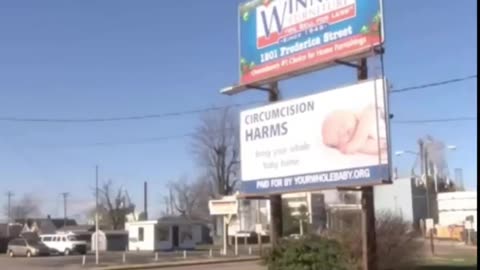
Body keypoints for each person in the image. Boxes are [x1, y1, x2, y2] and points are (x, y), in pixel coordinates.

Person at [322, 104, 387, 156]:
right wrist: (357, 147)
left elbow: (373, 111)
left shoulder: (365, 113)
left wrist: (357, 141)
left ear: (351, 113)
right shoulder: (362, 142)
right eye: (338, 136)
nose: (342, 131)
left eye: (342, 124)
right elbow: (381, 147)